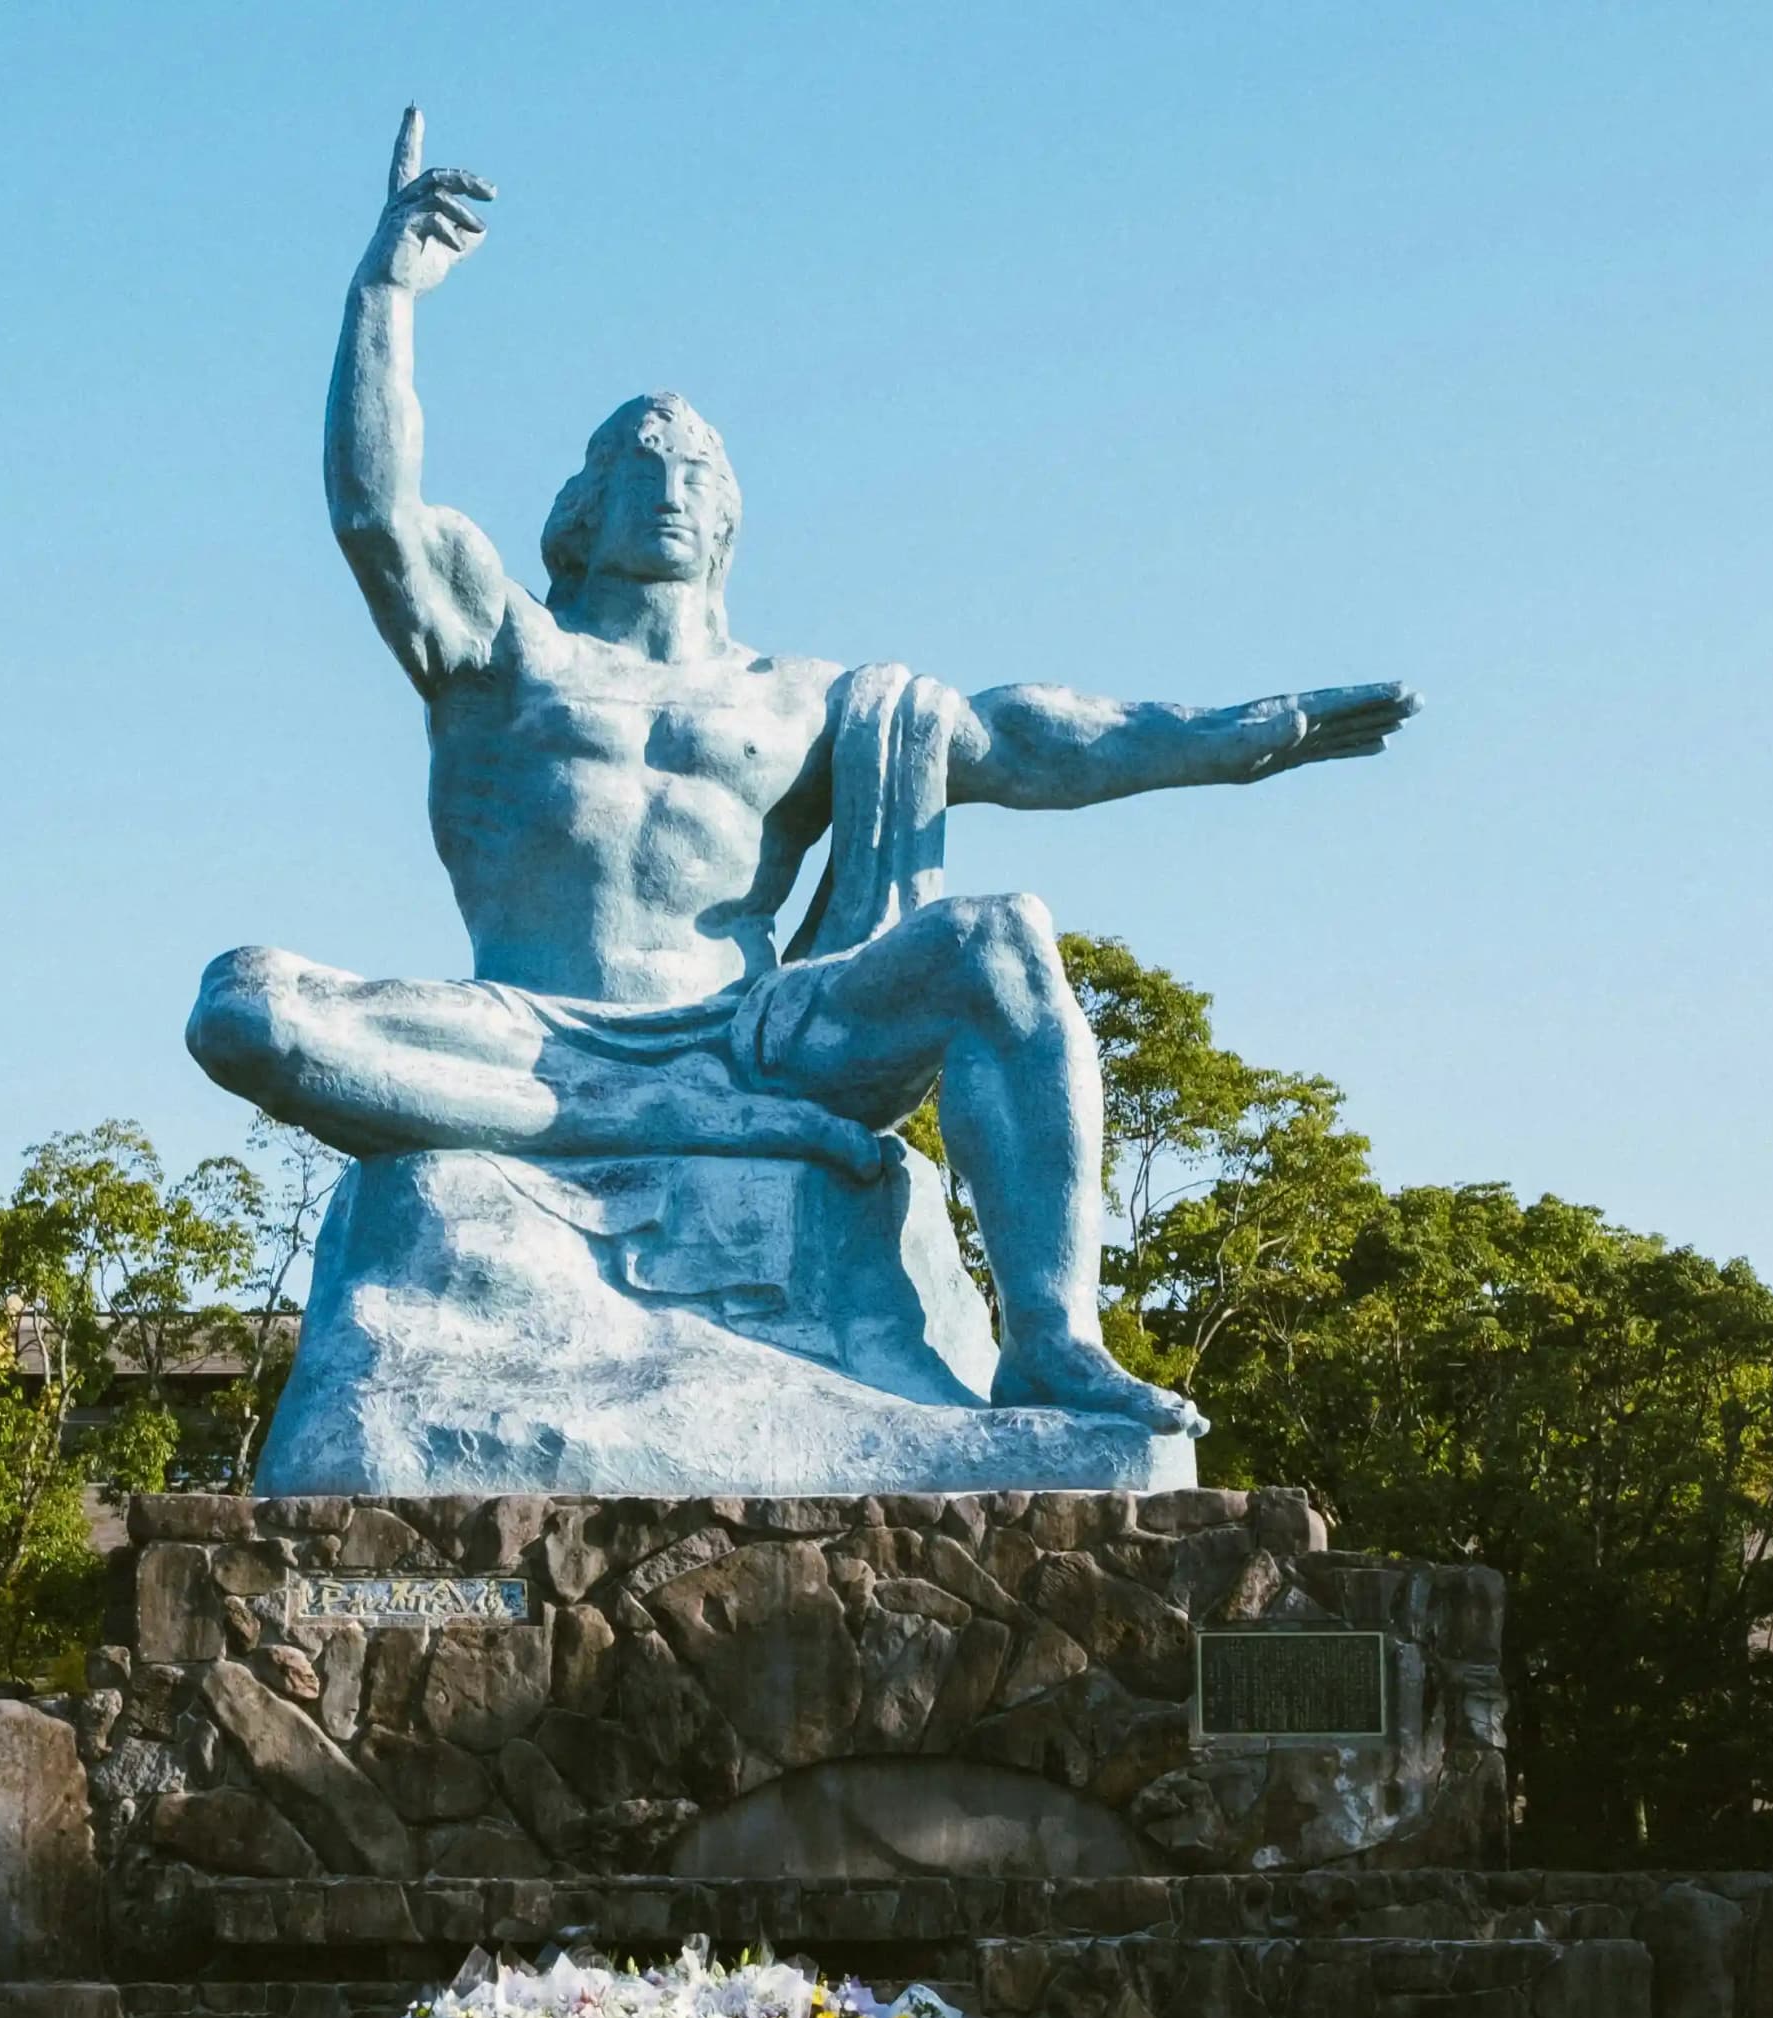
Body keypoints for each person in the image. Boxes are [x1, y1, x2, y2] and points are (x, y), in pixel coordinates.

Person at [184, 108, 1414, 1440]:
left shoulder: (811, 700)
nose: (670, 478)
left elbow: (1037, 739)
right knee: (246, 1010)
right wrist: (386, 292)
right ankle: (648, 1113)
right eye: (635, 460)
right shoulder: (503, 651)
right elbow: (377, 510)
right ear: (579, 509)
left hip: (756, 1038)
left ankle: (1054, 1341)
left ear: (729, 518)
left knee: (1002, 943)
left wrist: (1232, 740)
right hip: (521, 1026)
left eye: (697, 466)